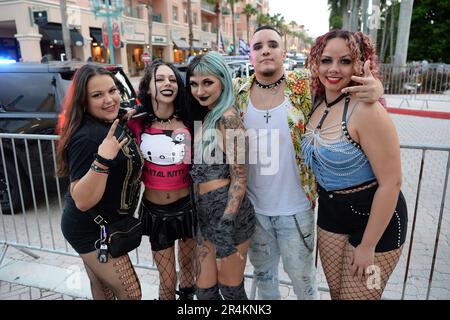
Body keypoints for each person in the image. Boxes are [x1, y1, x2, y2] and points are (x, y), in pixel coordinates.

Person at [233, 25, 384, 300]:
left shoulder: (304, 85)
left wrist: (376, 88)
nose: (265, 50)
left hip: (296, 208)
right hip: (253, 210)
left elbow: (340, 82)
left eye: (272, 44)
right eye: (257, 46)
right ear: (251, 57)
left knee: (302, 280)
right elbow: (199, 94)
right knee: (264, 277)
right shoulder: (238, 93)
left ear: (283, 52)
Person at [302, 30, 407, 300]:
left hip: (378, 222)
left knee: (360, 297)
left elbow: (391, 182)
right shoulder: (314, 101)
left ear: (360, 64)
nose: (334, 69)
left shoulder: (367, 109)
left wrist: (367, 245)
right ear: (316, 63)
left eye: (345, 61)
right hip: (331, 214)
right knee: (337, 294)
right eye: (326, 60)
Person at [57, 64, 143, 300]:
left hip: (101, 223)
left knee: (102, 289)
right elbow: (82, 199)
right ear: (83, 101)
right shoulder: (87, 137)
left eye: (112, 91)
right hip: (89, 228)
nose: (109, 100)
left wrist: (125, 114)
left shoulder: (108, 122)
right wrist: (103, 159)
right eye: (97, 95)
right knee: (131, 294)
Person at [187, 51, 256, 300]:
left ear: (223, 81)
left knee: (231, 291)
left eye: (207, 82)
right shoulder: (210, 114)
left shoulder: (228, 118)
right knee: (204, 291)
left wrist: (226, 225)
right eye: (194, 83)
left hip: (230, 218)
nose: (199, 90)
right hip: (206, 217)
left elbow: (240, 178)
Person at [125, 60, 196, 300]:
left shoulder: (189, 120)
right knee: (167, 281)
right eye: (160, 79)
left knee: (188, 272)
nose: (167, 83)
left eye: (172, 79)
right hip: (156, 213)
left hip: (187, 208)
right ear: (148, 88)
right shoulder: (136, 122)